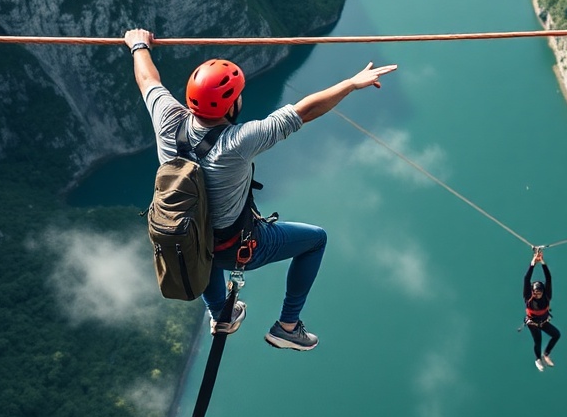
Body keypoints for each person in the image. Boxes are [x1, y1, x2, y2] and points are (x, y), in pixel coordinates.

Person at [124, 28, 396, 351]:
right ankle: (287, 326)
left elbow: (147, 80)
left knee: (200, 235)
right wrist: (351, 83)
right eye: (238, 95)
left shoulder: (167, 120)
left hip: (190, 244)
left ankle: (220, 313)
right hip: (238, 247)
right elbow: (304, 111)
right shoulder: (238, 142)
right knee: (315, 241)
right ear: (230, 105)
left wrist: (138, 44)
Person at [523, 248, 560, 372]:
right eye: (535, 292)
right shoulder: (528, 297)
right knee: (538, 341)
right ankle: (538, 359)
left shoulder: (547, 296)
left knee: (556, 335)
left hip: (543, 322)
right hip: (532, 323)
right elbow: (526, 279)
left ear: (543, 291)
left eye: (539, 292)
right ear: (532, 291)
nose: (537, 294)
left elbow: (548, 279)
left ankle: (546, 354)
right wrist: (533, 262)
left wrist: (543, 262)